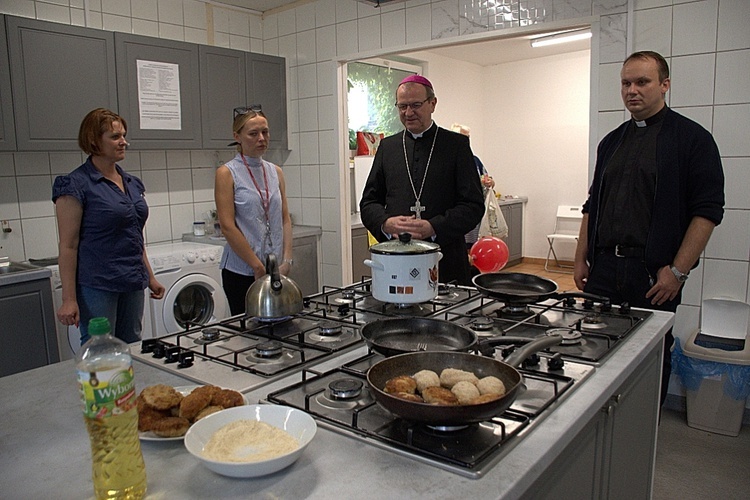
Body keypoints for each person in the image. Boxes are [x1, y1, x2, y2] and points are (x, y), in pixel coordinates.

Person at [573, 51, 725, 406]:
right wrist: (580, 258)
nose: (632, 91)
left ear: (664, 85)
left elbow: (707, 213)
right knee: (594, 346)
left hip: (653, 275)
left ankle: (642, 435)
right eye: (626, 83)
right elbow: (592, 204)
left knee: (652, 355)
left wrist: (677, 271)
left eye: (642, 82)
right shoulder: (611, 142)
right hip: (605, 270)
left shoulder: (692, 140)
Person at [53, 108, 164, 345]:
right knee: (100, 348)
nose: (124, 142)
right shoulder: (75, 185)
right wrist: (69, 299)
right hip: (98, 283)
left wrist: (150, 276)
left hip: (132, 280)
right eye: (115, 137)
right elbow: (68, 246)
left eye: (123, 135)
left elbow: (135, 236)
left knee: (132, 345)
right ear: (94, 141)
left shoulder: (131, 183)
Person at [359, 75, 485, 285]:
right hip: (397, 262)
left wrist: (434, 227)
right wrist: (386, 223)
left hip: (447, 261)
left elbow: (473, 205)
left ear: (432, 103)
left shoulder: (456, 146)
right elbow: (369, 203)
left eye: (416, 105)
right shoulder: (388, 147)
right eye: (402, 106)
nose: (408, 113)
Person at [215, 105, 293, 315]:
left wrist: (287, 259)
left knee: (280, 327)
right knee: (248, 334)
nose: (261, 138)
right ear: (237, 136)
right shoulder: (227, 173)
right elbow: (227, 226)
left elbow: (285, 218)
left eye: (265, 132)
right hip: (242, 271)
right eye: (253, 133)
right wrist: (256, 266)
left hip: (275, 269)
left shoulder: (275, 171)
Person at [450, 124, 496, 251]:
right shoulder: (448, 160)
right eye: (463, 137)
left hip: (474, 212)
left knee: (475, 246)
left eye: (468, 137)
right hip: (456, 212)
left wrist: (489, 182)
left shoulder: (474, 160)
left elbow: (488, 178)